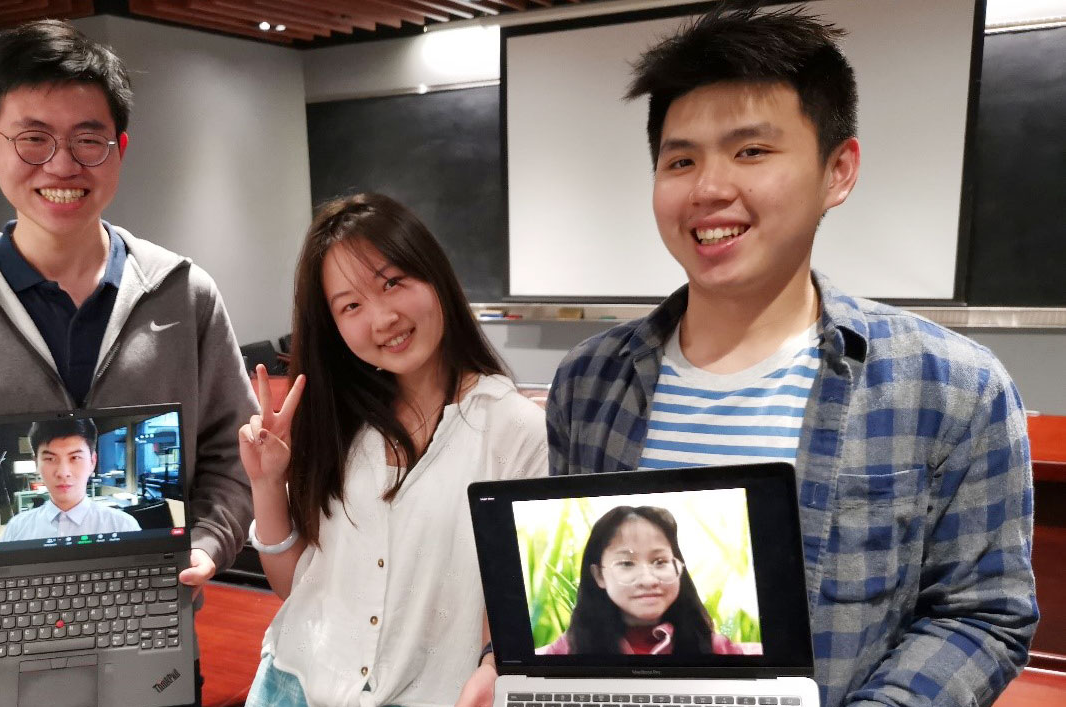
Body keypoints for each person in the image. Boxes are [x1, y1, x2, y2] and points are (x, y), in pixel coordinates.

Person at [529, 6, 1036, 707]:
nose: (708, 187)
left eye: (750, 151)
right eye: (680, 159)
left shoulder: (954, 386)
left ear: (837, 170)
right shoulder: (588, 381)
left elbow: (981, 614)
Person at [0, 20, 256, 707]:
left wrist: (210, 543)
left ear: (119, 148)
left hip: (148, 637)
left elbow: (233, 455)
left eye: (88, 139)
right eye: (32, 137)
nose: (62, 165)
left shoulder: (183, 294)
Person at [240, 193, 548, 707]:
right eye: (351, 306)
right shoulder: (338, 419)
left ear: (435, 278)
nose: (382, 318)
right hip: (290, 684)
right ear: (333, 326)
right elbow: (298, 589)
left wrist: (496, 667)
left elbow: (527, 607)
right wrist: (268, 483)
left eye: (392, 283)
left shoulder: (516, 432)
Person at [537, 506, 743, 656]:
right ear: (599, 576)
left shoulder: (716, 649)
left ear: (678, 567)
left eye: (660, 561)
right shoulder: (569, 650)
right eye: (627, 563)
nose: (648, 579)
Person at [0, 418, 141, 541]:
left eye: (75, 457)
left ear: (92, 461)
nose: (63, 472)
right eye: (50, 458)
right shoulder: (16, 530)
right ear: (36, 463)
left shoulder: (123, 527)